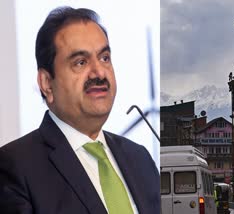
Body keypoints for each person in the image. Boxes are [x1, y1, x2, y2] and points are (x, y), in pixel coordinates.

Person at [0, 6, 159, 214]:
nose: (99, 72)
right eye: (80, 62)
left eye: (104, 58)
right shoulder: (15, 167)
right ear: (47, 83)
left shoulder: (140, 158)